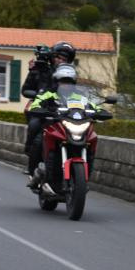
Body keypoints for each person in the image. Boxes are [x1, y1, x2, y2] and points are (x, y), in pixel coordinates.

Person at [23, 42, 77, 181]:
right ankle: (31, 163)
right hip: (44, 109)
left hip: (64, 111)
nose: (59, 60)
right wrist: (33, 72)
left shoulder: (70, 75)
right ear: (52, 57)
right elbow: (27, 90)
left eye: (63, 58)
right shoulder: (41, 69)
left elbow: (76, 94)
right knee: (37, 131)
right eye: (57, 57)